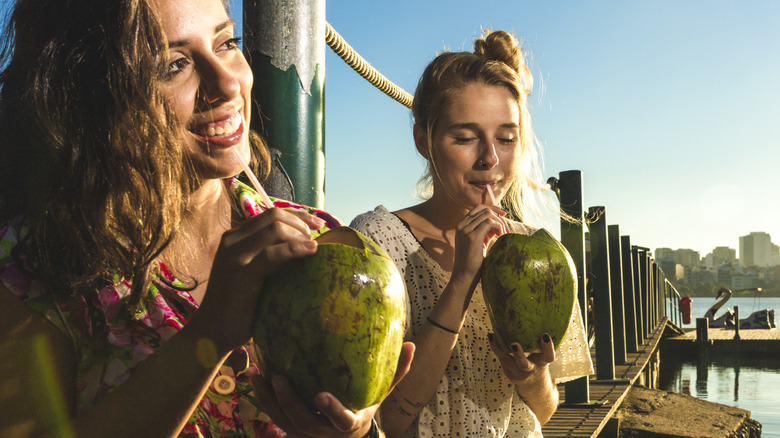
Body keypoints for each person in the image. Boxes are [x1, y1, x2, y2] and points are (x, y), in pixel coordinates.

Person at [0, 0, 413, 436]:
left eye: (227, 43)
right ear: (92, 94)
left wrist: (356, 432)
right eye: (174, 65)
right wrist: (212, 331)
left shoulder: (321, 239)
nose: (227, 83)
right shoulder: (35, 265)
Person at [350, 30, 593, 437]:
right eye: (465, 137)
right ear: (423, 141)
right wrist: (462, 280)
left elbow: (546, 410)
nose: (490, 158)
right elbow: (388, 421)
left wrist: (530, 375)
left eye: (506, 138)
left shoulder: (538, 250)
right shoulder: (379, 240)